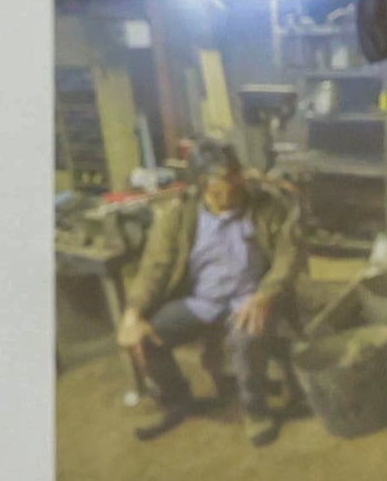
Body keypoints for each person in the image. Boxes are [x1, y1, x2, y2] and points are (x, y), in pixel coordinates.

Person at [119, 149, 310, 444]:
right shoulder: (180, 215)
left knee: (246, 341)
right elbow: (154, 268)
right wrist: (133, 313)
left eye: (236, 173)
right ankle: (179, 400)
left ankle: (256, 412)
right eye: (225, 179)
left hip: (249, 298)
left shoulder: (265, 208)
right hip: (202, 301)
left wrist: (265, 295)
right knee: (146, 336)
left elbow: (288, 256)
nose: (236, 183)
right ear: (202, 184)